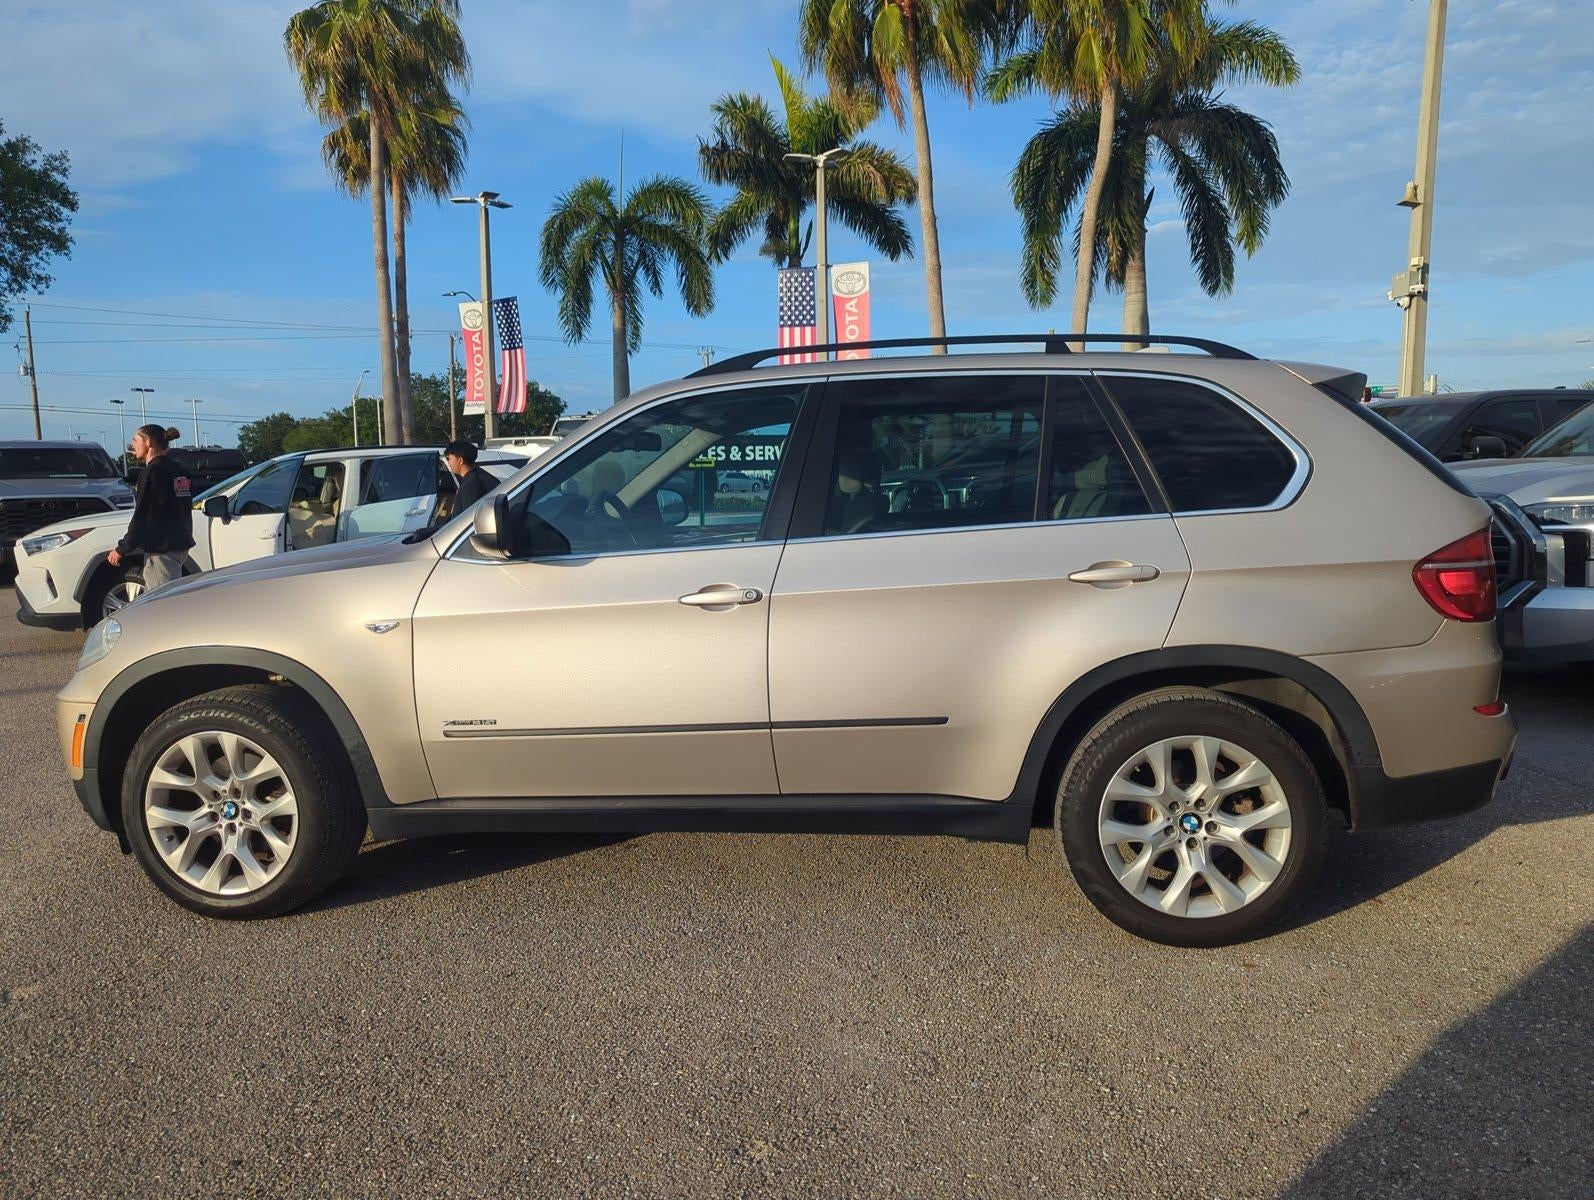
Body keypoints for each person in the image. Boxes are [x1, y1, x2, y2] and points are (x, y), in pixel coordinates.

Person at [108, 425, 193, 590]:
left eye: (136, 440)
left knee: (163, 601)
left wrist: (122, 548)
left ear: (148, 442)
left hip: (161, 550)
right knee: (166, 596)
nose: (132, 445)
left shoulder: (153, 472)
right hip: (179, 546)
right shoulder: (179, 470)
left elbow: (144, 515)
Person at [444, 440, 499, 513]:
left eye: (449, 459)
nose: (448, 462)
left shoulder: (470, 484)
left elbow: (469, 516)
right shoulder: (479, 475)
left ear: (460, 460)